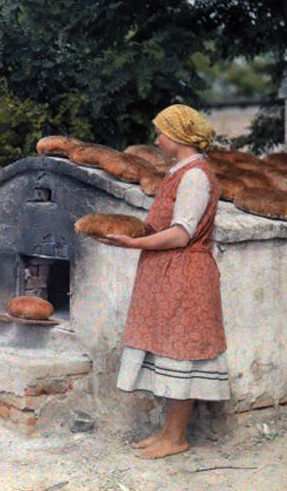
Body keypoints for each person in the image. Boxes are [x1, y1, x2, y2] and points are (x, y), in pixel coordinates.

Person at [97, 104, 229, 459]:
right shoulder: (180, 171)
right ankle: (168, 434)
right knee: (169, 353)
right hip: (167, 273)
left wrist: (133, 243)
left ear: (180, 136)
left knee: (182, 355)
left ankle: (176, 438)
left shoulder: (196, 176)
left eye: (162, 132)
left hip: (185, 274)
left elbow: (180, 234)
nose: (157, 138)